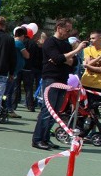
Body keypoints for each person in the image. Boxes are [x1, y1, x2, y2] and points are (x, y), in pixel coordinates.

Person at [32, 19, 85, 150]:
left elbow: (72, 62)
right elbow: (57, 58)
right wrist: (76, 50)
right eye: (67, 30)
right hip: (51, 79)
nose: (69, 33)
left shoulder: (66, 44)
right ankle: (37, 139)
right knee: (47, 110)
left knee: (55, 111)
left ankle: (45, 138)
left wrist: (64, 58)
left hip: (63, 79)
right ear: (59, 28)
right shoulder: (50, 42)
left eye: (70, 30)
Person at [80, 30, 101, 112]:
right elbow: (87, 64)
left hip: (97, 85)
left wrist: (88, 65)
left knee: (93, 109)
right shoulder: (87, 50)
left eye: (93, 38)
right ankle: (79, 125)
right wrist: (99, 58)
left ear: (100, 38)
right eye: (90, 38)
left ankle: (92, 124)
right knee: (81, 108)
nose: (91, 40)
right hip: (84, 83)